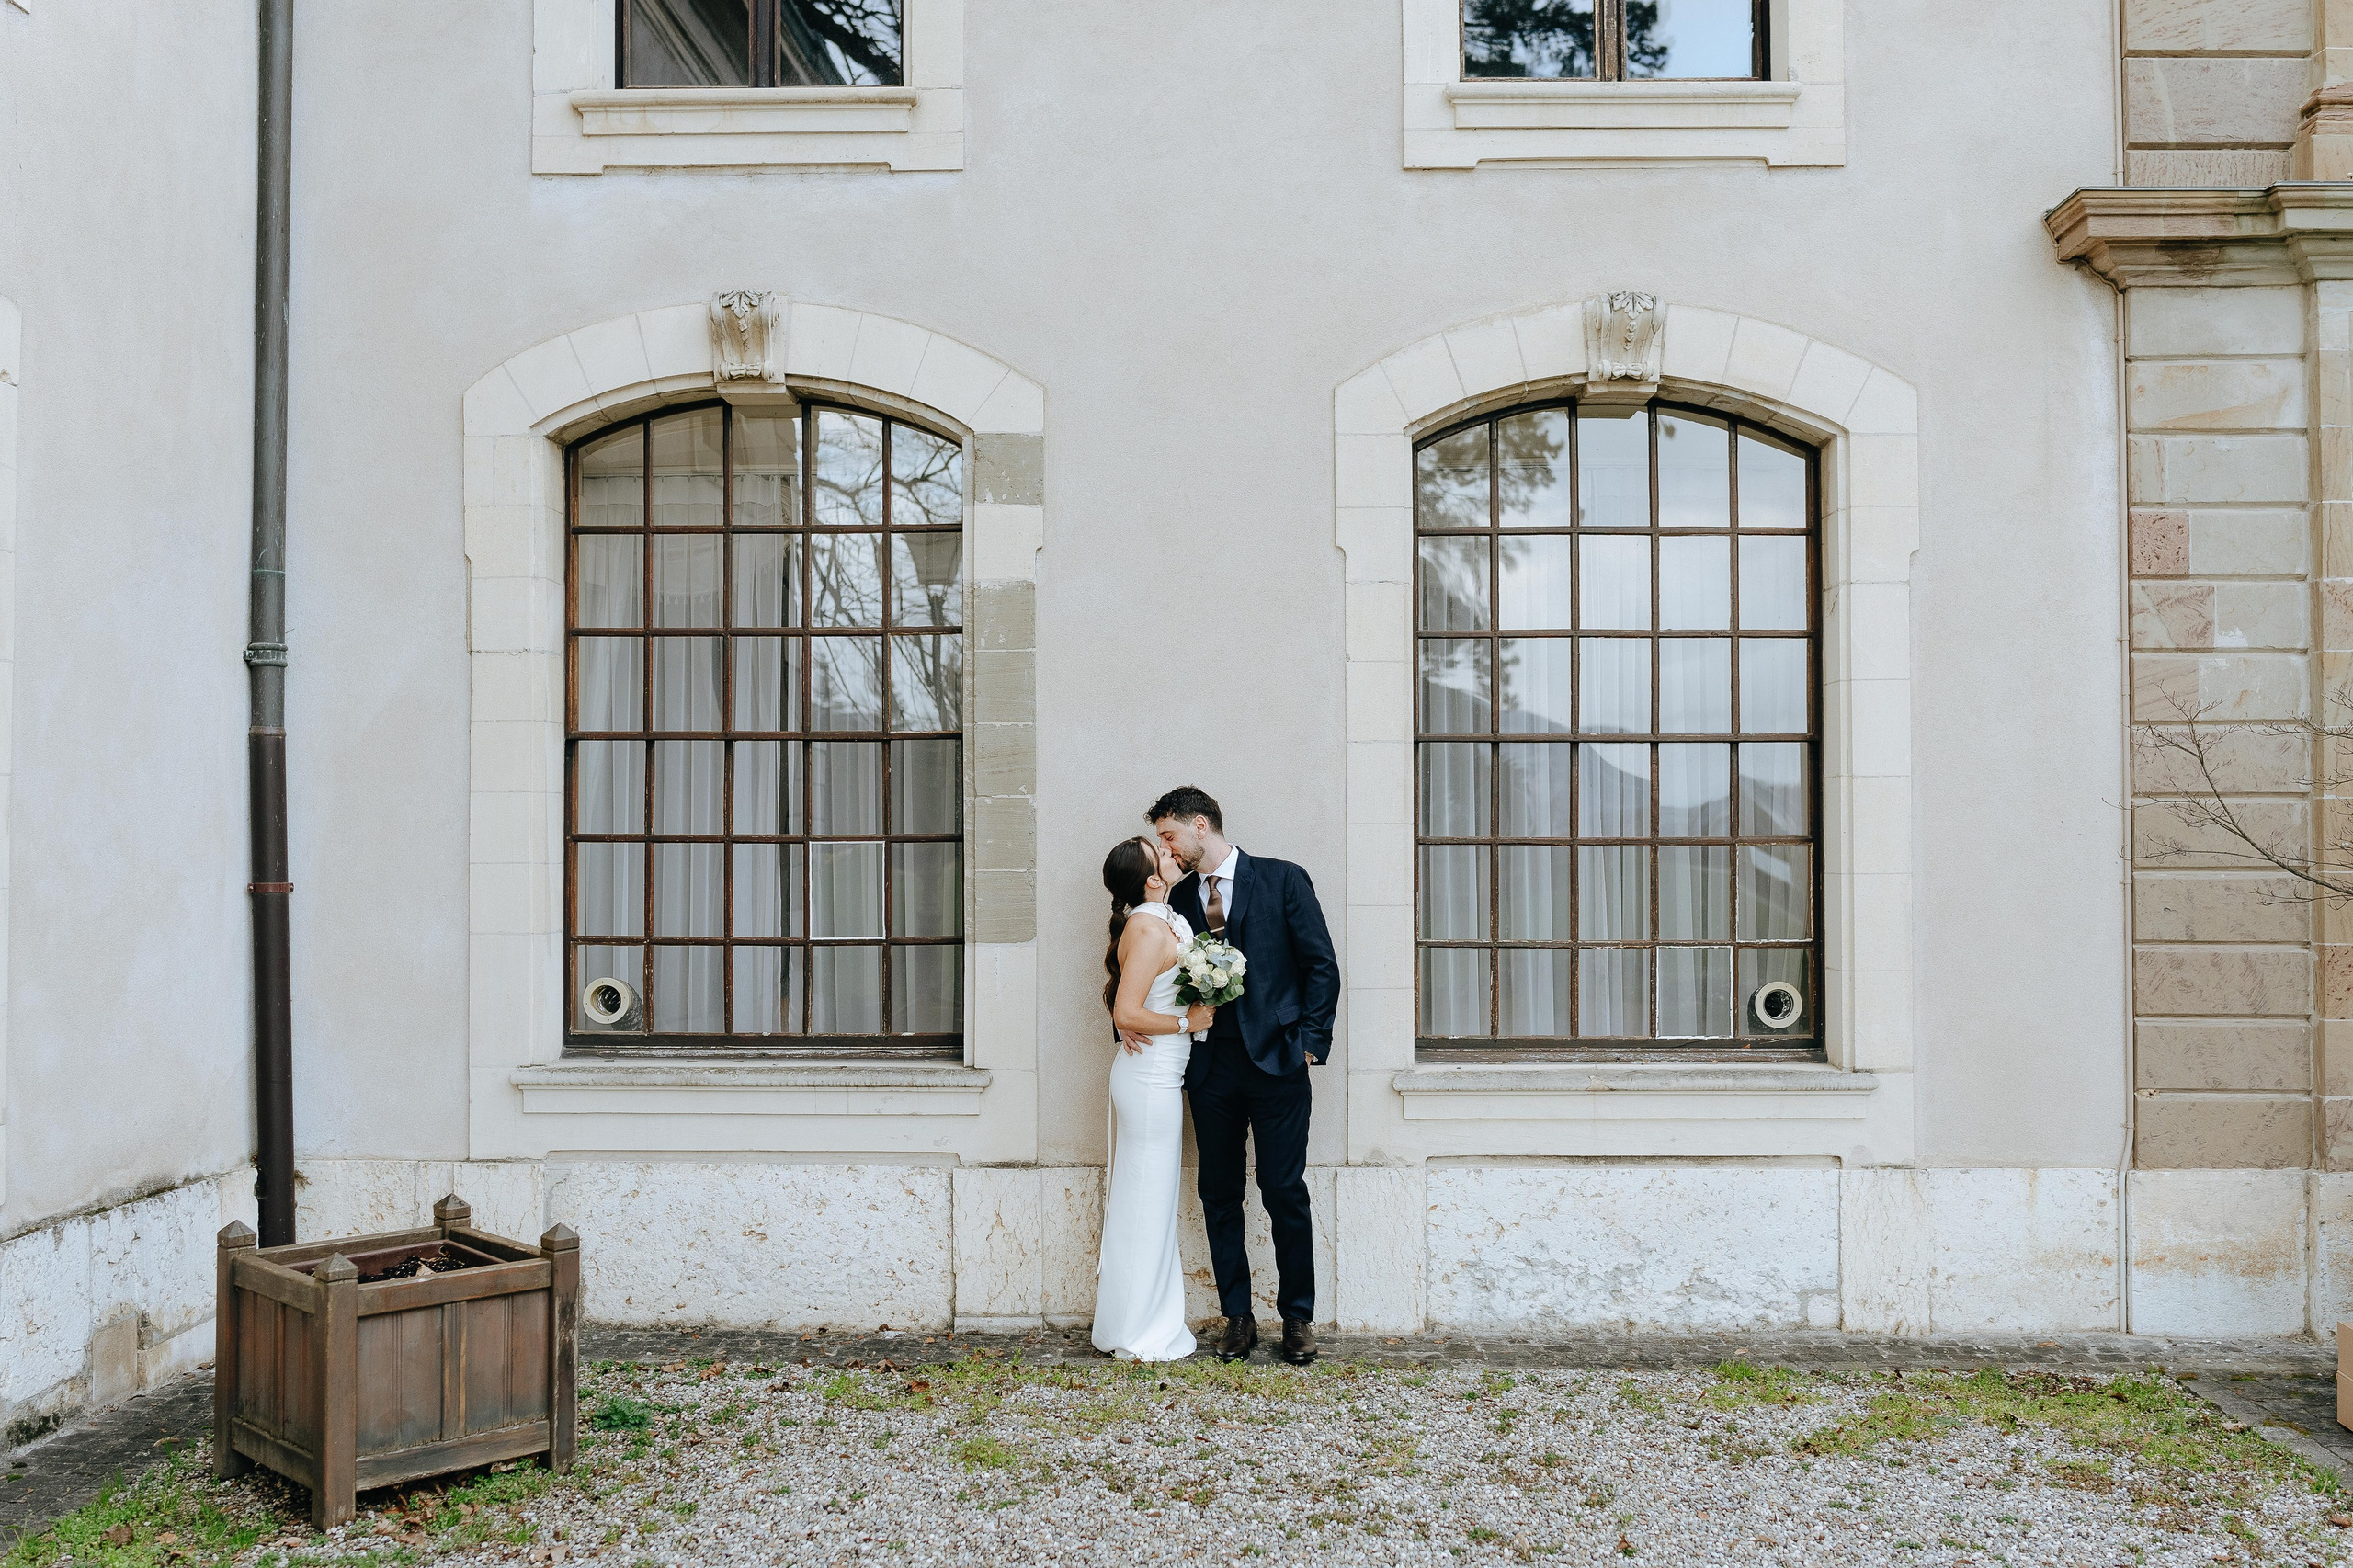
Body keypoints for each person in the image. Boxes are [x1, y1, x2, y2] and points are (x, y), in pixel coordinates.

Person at [1146, 786, 1340, 1367]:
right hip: (1209, 1067)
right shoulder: (1176, 901)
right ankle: (1238, 1317)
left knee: (1284, 1191)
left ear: (1200, 825)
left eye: (1169, 834)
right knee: (1219, 1193)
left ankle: (1298, 1319)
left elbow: (1320, 965)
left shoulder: (1283, 879)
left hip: (1279, 1062)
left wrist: (1309, 1045)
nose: (1166, 847)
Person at [1089, 835, 1214, 1361]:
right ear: (1151, 879)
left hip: (1161, 1075)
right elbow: (1126, 1015)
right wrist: (1190, 1020)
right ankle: (1138, 1332)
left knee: (1151, 1201)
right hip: (1148, 1081)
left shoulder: (1162, 919)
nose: (1169, 850)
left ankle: (1133, 1323)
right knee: (1146, 1202)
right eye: (1158, 850)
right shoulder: (1145, 928)